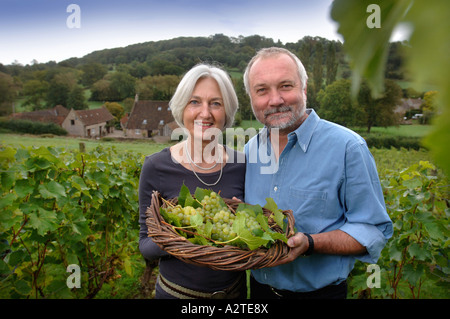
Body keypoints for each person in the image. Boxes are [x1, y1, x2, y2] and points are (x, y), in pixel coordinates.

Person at [243, 47, 393, 299]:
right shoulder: (249, 150)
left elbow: (372, 229)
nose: (275, 99)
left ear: (304, 87)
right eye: (262, 90)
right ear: (251, 97)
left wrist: (311, 243)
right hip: (259, 293)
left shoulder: (348, 148)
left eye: (285, 86)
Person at [138, 63, 246, 299]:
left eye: (216, 103)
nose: (205, 113)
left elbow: (251, 234)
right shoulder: (156, 166)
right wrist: (184, 234)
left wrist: (243, 225)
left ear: (226, 112)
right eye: (194, 102)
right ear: (181, 108)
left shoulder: (242, 164)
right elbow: (145, 245)